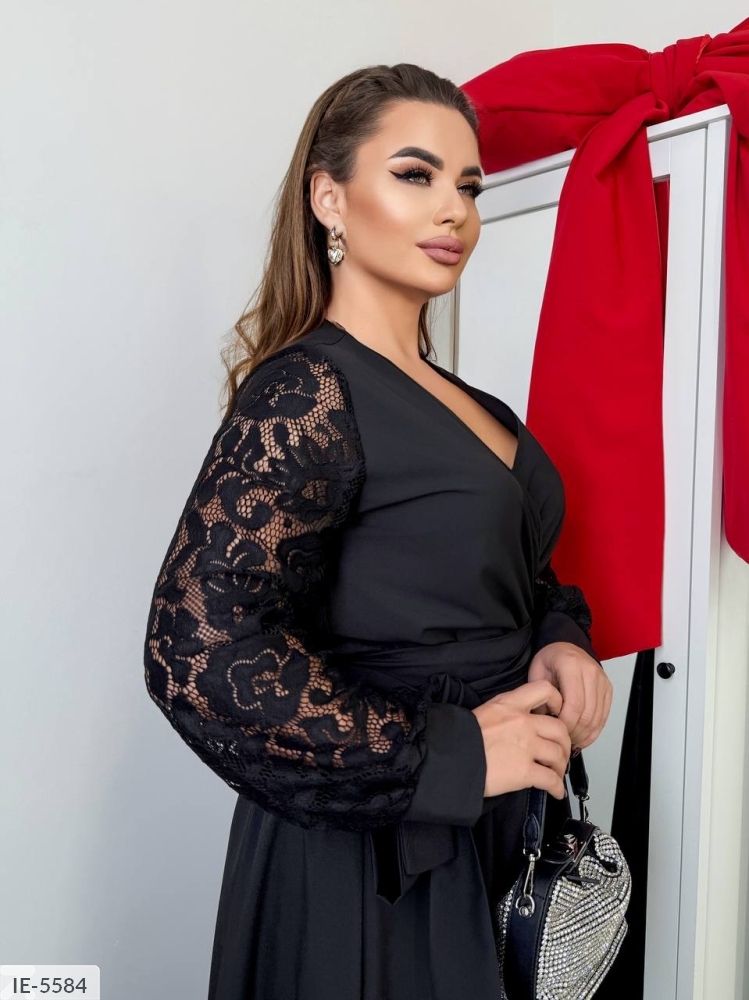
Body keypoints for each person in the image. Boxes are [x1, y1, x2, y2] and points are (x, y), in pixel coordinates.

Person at [143, 62, 613, 1000]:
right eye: (414, 174)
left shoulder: (475, 404)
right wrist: (444, 757)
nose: (454, 211)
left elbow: (510, 572)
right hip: (375, 864)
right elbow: (195, 651)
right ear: (330, 198)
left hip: (497, 828)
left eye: (468, 186)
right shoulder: (307, 391)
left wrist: (562, 639)